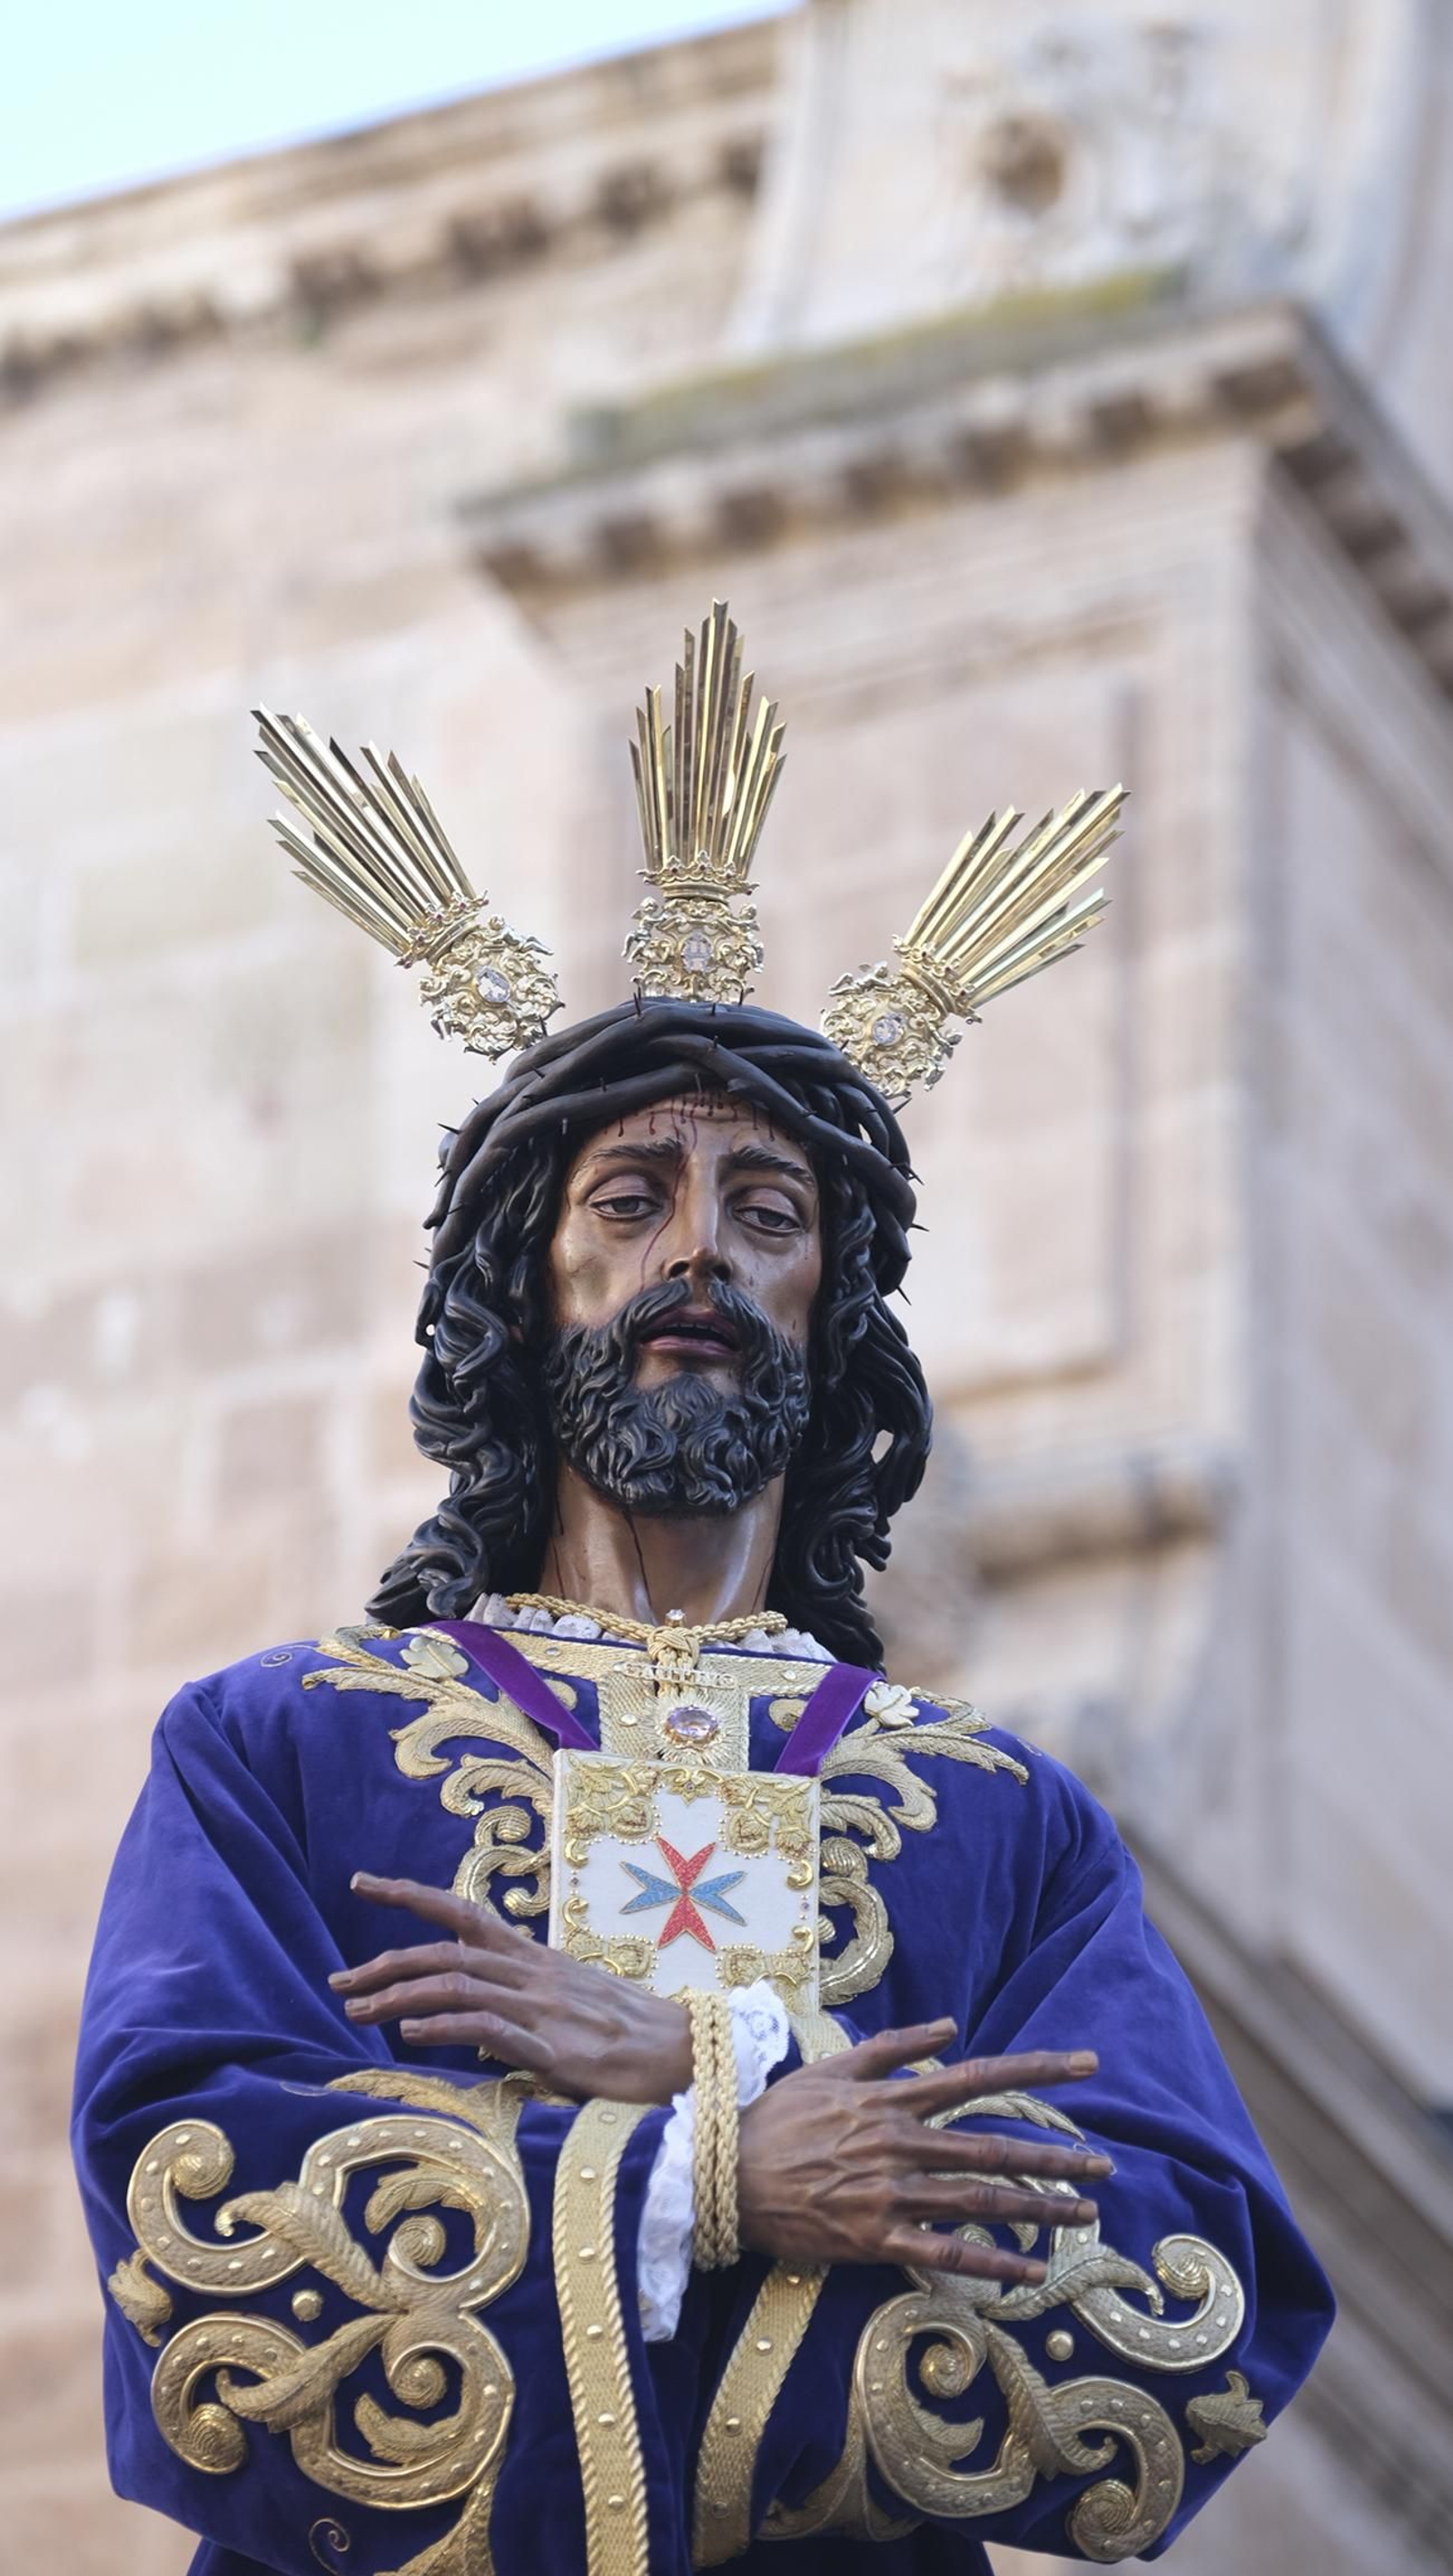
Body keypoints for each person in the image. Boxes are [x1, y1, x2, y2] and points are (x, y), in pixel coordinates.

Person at [74, 608, 1333, 2576]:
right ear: (530, 1287)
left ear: (827, 1317)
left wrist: (709, 2061)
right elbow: (199, 2228)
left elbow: (1188, 2314)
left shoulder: (1001, 1824)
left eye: (767, 1216)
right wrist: (714, 2178)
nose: (702, 1258)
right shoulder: (283, 1747)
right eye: (630, 1200)